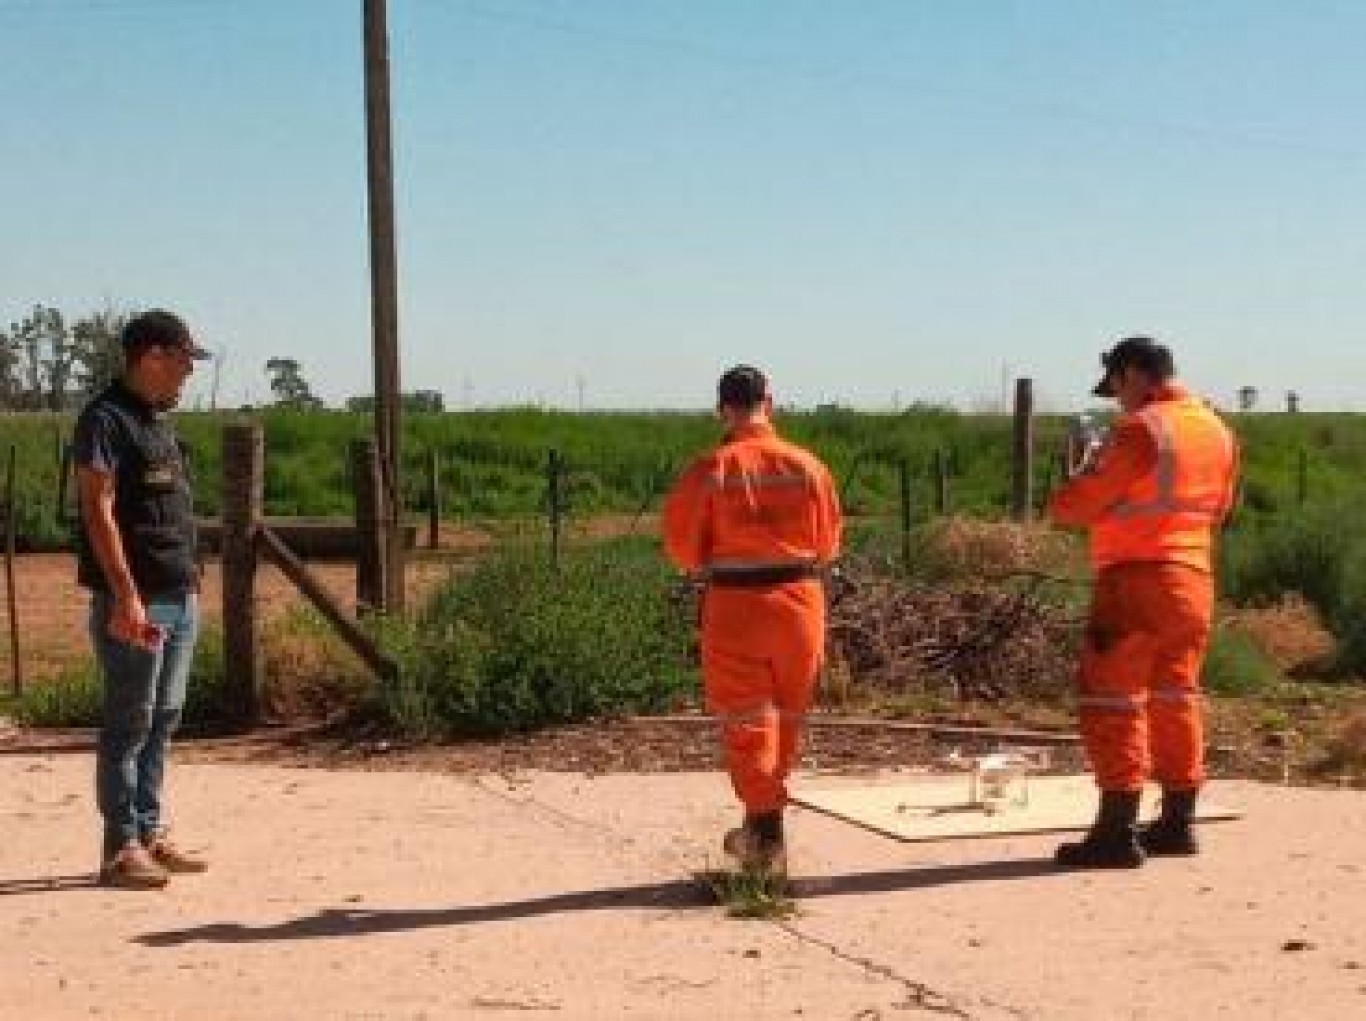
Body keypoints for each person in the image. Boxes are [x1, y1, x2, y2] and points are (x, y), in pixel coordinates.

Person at [1048, 337, 1239, 870]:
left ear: (1133, 374)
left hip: (1135, 580)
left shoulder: (1140, 428)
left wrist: (1075, 476)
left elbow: (1075, 506)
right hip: (1192, 580)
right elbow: (1222, 507)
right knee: (1175, 696)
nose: (1117, 401)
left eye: (1117, 387)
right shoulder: (1216, 430)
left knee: (1112, 700)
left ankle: (1115, 830)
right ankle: (1177, 823)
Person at [663, 366, 842, 873]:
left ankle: (765, 835)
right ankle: (762, 826)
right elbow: (828, 544)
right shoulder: (808, 466)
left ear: (722, 408)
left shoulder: (710, 469)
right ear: (771, 402)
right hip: (801, 603)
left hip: (737, 607)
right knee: (787, 720)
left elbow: (683, 551)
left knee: (746, 723)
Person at [73, 309, 212, 889]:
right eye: (183, 360)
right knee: (130, 721)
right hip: (138, 601)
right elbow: (98, 508)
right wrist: (126, 594)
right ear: (153, 357)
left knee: (164, 718)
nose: (188, 373)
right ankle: (121, 847)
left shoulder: (156, 423)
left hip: (178, 595)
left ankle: (149, 831)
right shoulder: (105, 421)